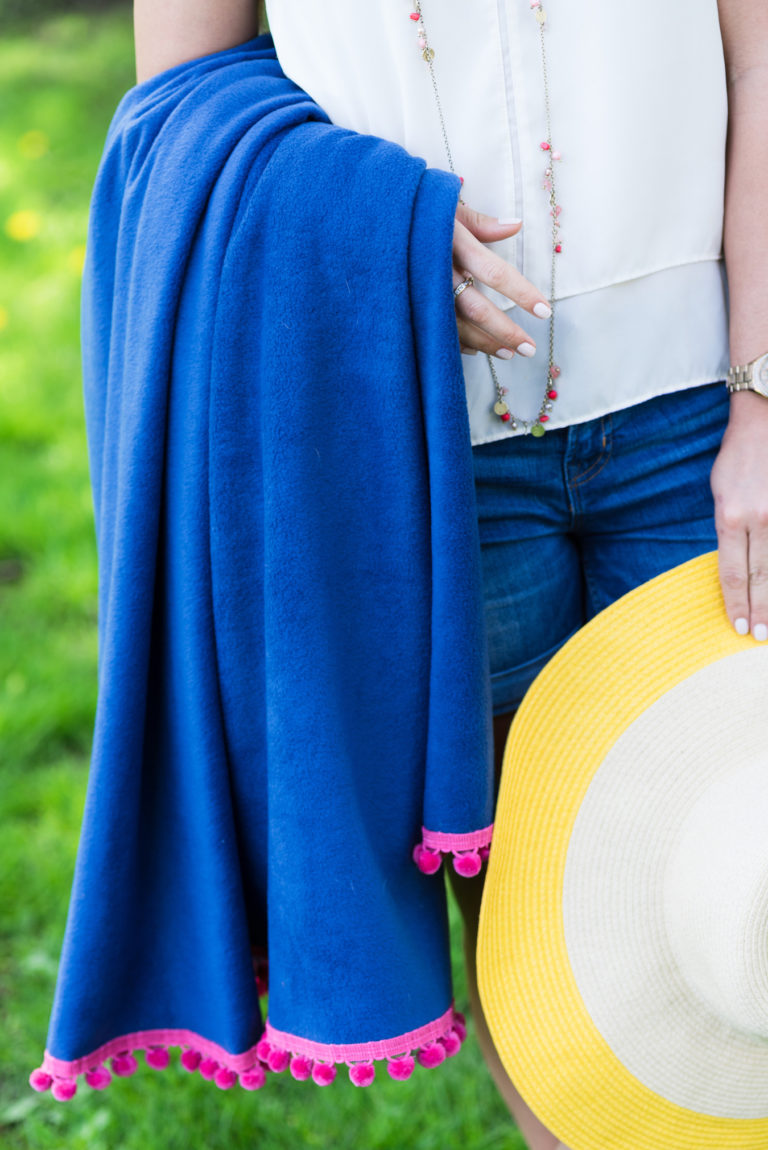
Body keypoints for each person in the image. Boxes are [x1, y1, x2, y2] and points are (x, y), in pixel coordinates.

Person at [131, 3, 768, 1148]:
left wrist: (767, 398)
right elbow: (177, 112)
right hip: (422, 446)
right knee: (554, 922)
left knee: (739, 878)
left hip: (702, 409)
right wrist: (372, 230)